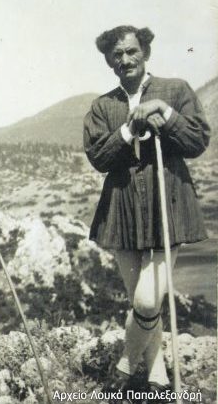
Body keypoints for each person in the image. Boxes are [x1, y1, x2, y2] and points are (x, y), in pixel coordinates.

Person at [83, 25, 210, 399]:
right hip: (121, 209)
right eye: (117, 55)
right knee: (141, 303)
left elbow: (197, 141)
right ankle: (157, 379)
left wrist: (164, 113)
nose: (125, 59)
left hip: (167, 204)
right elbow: (99, 158)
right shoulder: (103, 107)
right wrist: (128, 129)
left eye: (131, 51)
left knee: (147, 301)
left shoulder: (176, 90)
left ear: (146, 52)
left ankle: (124, 365)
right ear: (110, 62)